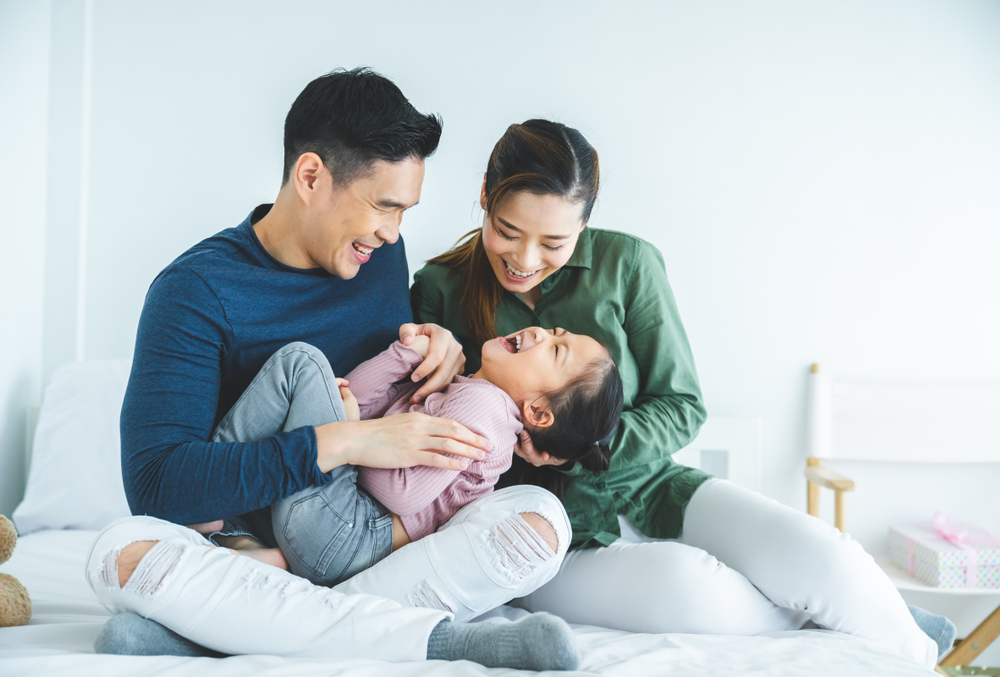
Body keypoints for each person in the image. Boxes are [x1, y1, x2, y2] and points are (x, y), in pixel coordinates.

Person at [408, 118, 953, 668]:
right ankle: (877, 614)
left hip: (651, 485)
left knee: (825, 556)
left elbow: (683, 405)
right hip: (548, 526)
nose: (524, 260)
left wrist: (582, 450)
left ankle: (903, 635)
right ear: (483, 194)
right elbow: (430, 432)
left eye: (553, 243)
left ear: (586, 224)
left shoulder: (629, 265)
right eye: (506, 231)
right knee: (700, 592)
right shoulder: (438, 289)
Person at [85, 71, 583, 672]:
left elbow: (397, 396)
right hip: (250, 537)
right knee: (118, 553)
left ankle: (233, 626)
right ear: (311, 176)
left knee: (540, 520)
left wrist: (439, 350)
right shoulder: (193, 293)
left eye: (405, 211)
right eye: (384, 206)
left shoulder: (378, 254)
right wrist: (344, 442)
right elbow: (159, 489)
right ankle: (437, 642)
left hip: (368, 543)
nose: (394, 232)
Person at [217, 327, 621, 587]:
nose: (539, 333)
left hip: (350, 533)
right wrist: (406, 354)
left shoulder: (485, 412)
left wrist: (354, 438)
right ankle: (246, 542)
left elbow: (401, 494)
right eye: (554, 331)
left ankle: (208, 489)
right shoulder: (468, 393)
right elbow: (351, 398)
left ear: (536, 412)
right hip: (336, 536)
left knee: (301, 363)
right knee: (311, 380)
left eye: (554, 351)